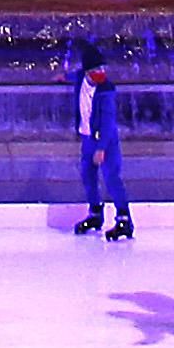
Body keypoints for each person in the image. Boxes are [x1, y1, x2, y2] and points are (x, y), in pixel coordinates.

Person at [70, 46, 131, 241]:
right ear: (88, 71)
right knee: (88, 177)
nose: (102, 73)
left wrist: (102, 147)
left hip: (106, 140)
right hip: (87, 138)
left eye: (103, 69)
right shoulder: (80, 79)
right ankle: (95, 213)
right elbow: (73, 77)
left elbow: (108, 121)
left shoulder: (106, 91)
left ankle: (124, 220)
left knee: (112, 178)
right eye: (97, 70)